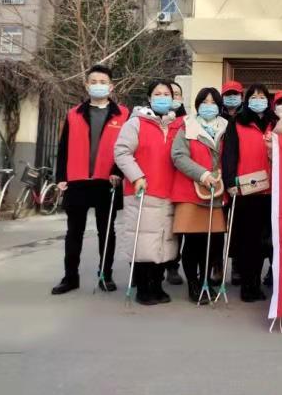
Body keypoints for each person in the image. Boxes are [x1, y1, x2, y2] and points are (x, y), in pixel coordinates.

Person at [52, 65, 129, 295]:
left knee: (106, 231)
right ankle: (70, 277)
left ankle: (105, 275)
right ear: (86, 85)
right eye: (93, 81)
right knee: (73, 232)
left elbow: (127, 148)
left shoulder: (123, 114)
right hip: (77, 180)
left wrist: (118, 172)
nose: (98, 85)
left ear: (111, 86)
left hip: (108, 181)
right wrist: (61, 177)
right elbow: (63, 148)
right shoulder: (74, 114)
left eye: (102, 81)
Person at [114, 80, 183, 306]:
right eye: (157, 94)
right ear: (149, 98)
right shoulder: (135, 123)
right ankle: (143, 288)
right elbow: (122, 152)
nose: (162, 97)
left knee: (163, 242)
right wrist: (137, 176)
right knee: (143, 242)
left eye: (167, 94)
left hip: (169, 192)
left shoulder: (177, 125)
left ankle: (157, 284)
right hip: (143, 191)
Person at [170, 88, 227, 304]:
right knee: (193, 242)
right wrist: (202, 174)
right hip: (189, 191)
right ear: (197, 104)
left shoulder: (226, 127)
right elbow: (178, 156)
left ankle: (205, 280)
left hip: (215, 192)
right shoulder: (187, 126)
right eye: (204, 101)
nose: (208, 106)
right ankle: (193, 285)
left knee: (210, 242)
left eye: (213, 102)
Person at [223, 84, 278, 302]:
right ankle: (248, 285)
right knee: (248, 242)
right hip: (247, 191)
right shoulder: (237, 123)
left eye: (262, 97)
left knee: (265, 242)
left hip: (272, 190)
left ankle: (258, 283)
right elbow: (229, 154)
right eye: (254, 97)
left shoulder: (276, 122)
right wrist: (230, 181)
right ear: (247, 101)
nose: (258, 100)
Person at [164, 81, 187, 286]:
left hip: (180, 181)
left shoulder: (188, 122)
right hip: (156, 182)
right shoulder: (149, 119)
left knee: (176, 229)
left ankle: (173, 266)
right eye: (168, 93)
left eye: (177, 94)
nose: (173, 97)